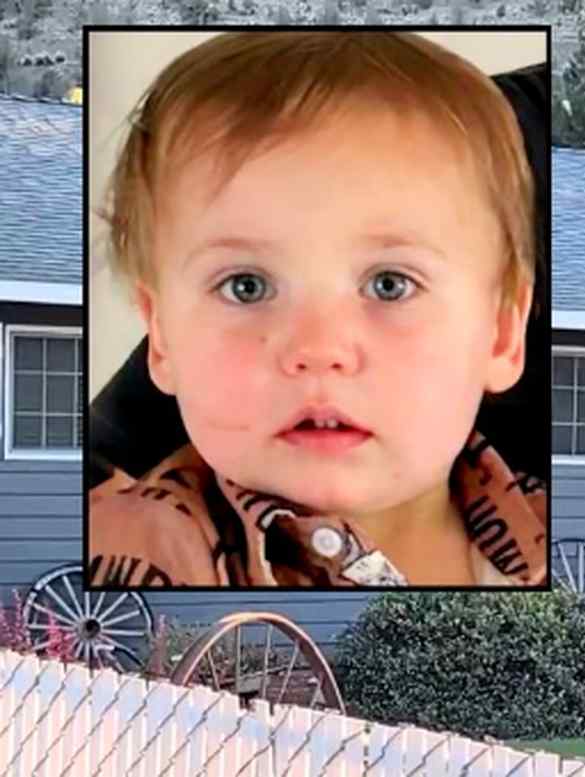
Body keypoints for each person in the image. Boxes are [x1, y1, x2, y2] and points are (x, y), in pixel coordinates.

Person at [87, 31, 546, 588]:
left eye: (390, 284)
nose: (318, 349)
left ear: (501, 333)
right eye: (247, 287)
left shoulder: (553, 535)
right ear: (160, 337)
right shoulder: (129, 554)